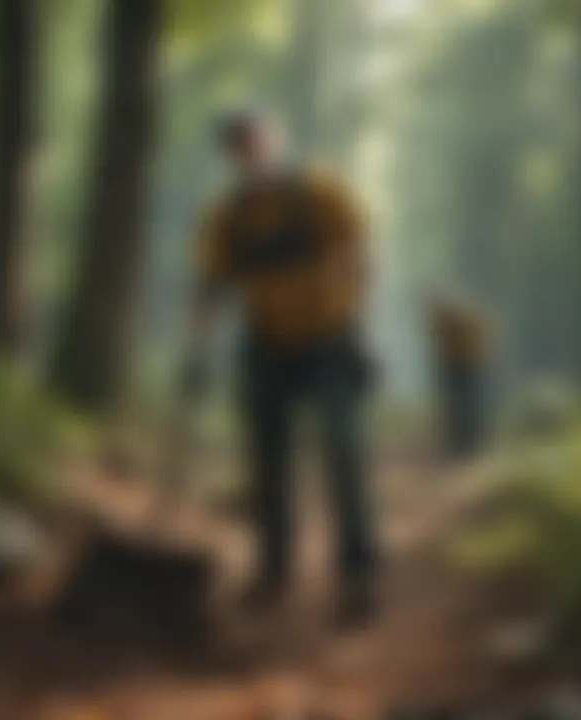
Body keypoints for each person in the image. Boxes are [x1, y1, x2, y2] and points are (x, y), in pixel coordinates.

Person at [182, 111, 377, 623]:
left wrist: (357, 327)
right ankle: (274, 571)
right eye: (238, 148)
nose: (249, 154)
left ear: (275, 140)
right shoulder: (226, 215)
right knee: (267, 461)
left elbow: (358, 252)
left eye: (255, 142)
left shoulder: (319, 190)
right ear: (230, 156)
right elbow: (209, 283)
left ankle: (358, 572)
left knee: (342, 449)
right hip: (266, 346)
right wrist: (196, 351)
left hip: (329, 341)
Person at [428, 293, 490, 462]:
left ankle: (468, 442)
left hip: (465, 367)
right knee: (460, 406)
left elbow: (474, 344)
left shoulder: (457, 322)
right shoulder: (447, 323)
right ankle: (462, 442)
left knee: (465, 405)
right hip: (457, 368)